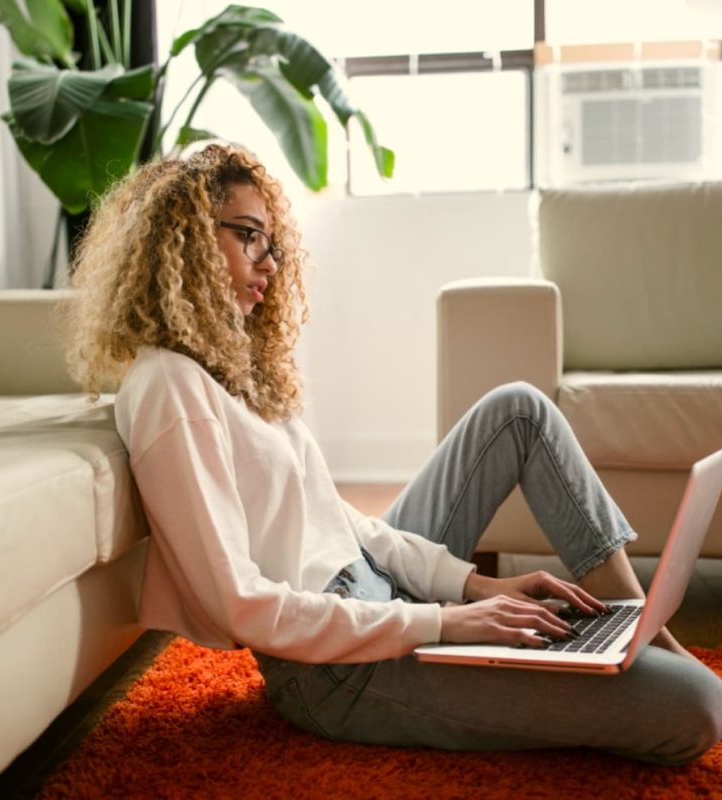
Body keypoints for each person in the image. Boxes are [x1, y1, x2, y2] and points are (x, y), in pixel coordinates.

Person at [62, 142, 722, 764]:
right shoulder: (169, 388)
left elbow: (343, 524)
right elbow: (241, 604)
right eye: (247, 235)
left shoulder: (237, 371)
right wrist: (443, 623)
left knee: (518, 409)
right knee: (695, 708)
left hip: (381, 597)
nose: (269, 261)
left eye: (272, 242)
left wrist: (474, 587)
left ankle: (639, 629)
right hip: (337, 672)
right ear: (182, 243)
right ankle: (640, 652)